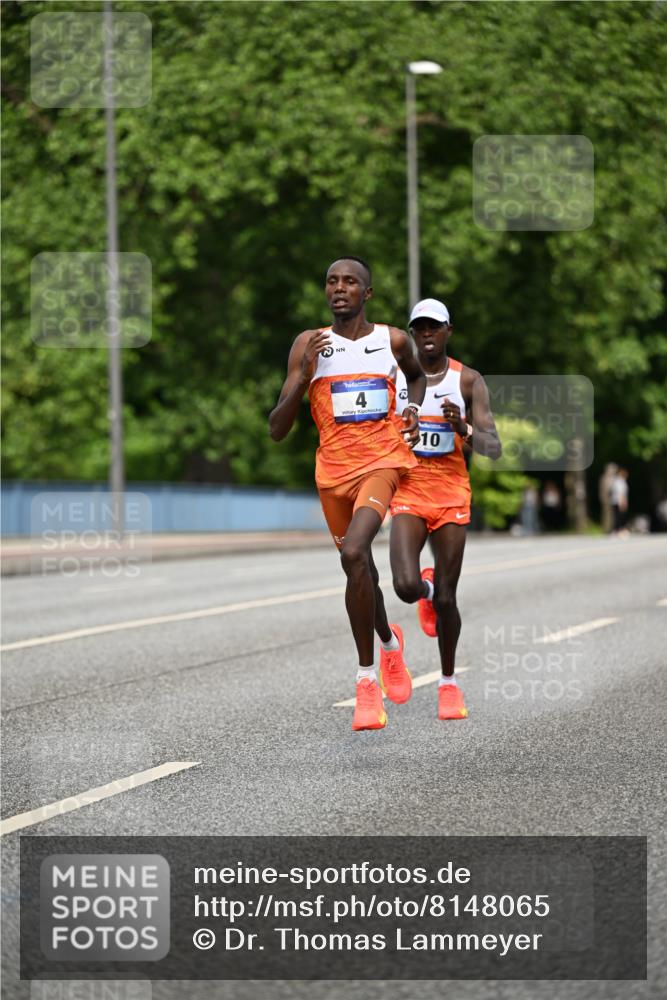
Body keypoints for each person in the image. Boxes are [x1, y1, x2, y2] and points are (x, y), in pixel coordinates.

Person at [269, 257, 426, 731]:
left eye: (350, 282)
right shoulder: (307, 344)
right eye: (332, 282)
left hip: (382, 462)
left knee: (355, 552)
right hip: (331, 475)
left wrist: (412, 409)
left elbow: (416, 376)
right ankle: (390, 645)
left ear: (367, 293)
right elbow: (278, 429)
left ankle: (364, 682)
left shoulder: (392, 340)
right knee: (359, 568)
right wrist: (301, 377)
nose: (340, 289)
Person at [388, 298, 501, 720]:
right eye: (420, 329)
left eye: (435, 327)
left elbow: (493, 447)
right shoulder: (397, 379)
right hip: (410, 491)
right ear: (412, 334)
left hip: (452, 494)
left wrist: (463, 427)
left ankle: (449, 684)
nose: (427, 335)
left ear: (449, 331)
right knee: (403, 584)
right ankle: (424, 591)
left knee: (450, 598)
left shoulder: (468, 381)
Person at [610, 466, 629, 534]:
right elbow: (620, 493)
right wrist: (622, 502)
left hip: (616, 501)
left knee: (618, 516)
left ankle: (618, 529)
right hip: (619, 501)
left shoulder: (618, 481)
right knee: (619, 516)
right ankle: (618, 529)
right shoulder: (619, 482)